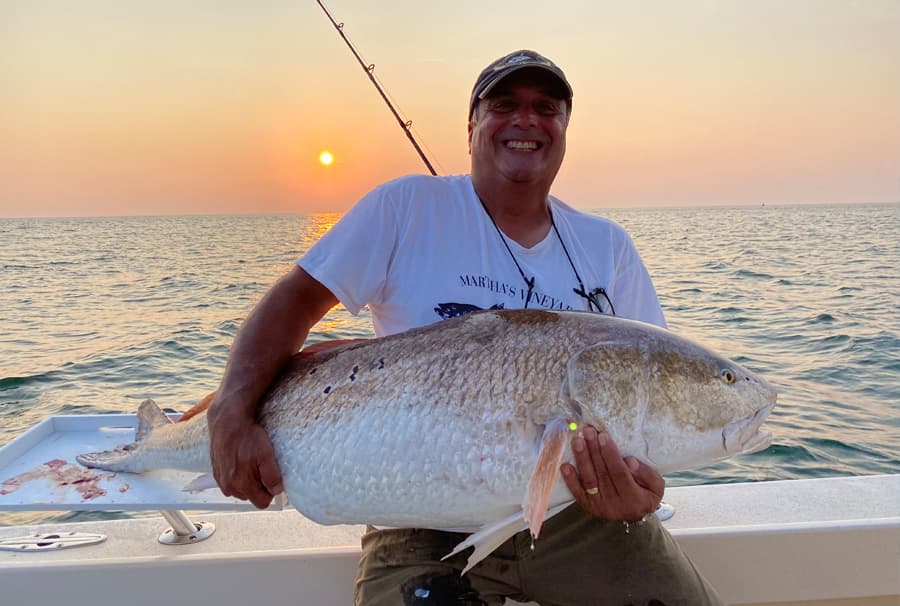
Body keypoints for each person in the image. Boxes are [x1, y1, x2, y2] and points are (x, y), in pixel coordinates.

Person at [207, 50, 722, 606]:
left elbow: (647, 400)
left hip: (576, 512)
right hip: (417, 516)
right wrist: (229, 413)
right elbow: (295, 301)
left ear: (565, 129)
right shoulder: (407, 207)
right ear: (472, 126)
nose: (526, 119)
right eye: (504, 105)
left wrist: (637, 491)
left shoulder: (607, 247)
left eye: (546, 107)